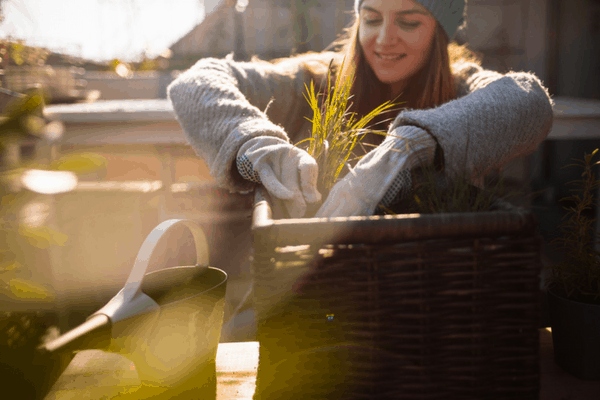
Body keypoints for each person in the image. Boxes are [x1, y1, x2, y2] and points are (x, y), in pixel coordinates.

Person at [167, 0, 553, 341]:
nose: (385, 38)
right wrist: (259, 144)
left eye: (408, 22)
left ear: (440, 31)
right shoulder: (317, 82)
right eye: (371, 18)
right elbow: (195, 83)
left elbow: (530, 100)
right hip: (304, 311)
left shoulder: (462, 88)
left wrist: (406, 149)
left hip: (428, 316)